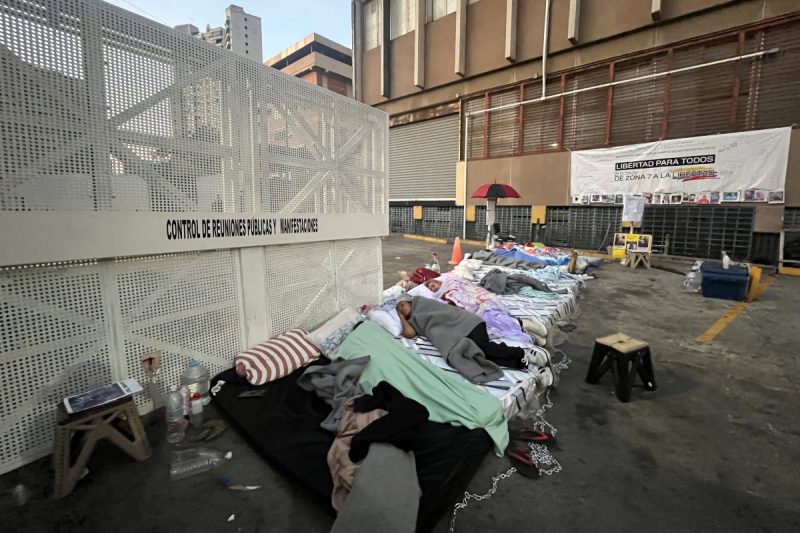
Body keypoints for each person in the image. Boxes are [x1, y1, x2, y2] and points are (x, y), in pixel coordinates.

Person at [395, 294, 552, 386]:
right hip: (458, 334)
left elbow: (444, 315)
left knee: (484, 348)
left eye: (403, 304)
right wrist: (402, 317)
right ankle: (527, 365)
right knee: (482, 357)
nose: (401, 308)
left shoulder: (422, 303)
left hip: (467, 323)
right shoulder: (412, 320)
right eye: (398, 308)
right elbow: (410, 334)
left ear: (410, 301)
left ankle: (523, 352)